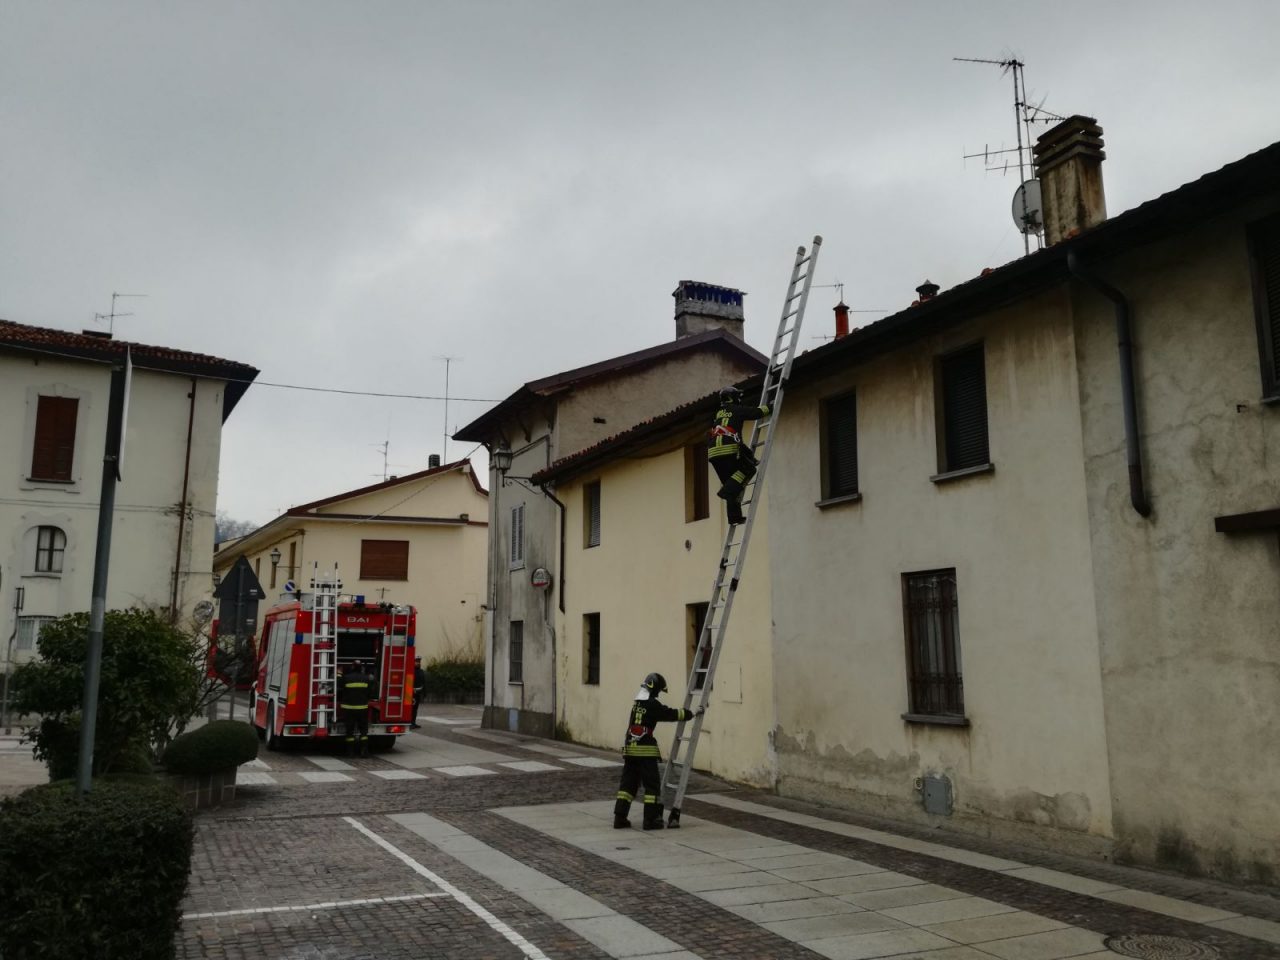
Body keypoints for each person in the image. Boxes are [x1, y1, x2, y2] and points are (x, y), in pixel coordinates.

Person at [613, 672, 702, 831]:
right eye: (659, 691)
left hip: (630, 750)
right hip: (645, 751)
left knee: (628, 785)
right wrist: (691, 713)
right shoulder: (652, 705)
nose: (659, 693)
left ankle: (619, 818)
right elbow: (670, 714)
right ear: (654, 689)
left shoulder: (637, 703)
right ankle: (651, 820)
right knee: (652, 787)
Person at [708, 386, 770, 525]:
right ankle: (725, 492)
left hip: (713, 453)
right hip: (728, 450)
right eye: (737, 396)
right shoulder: (737, 410)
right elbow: (757, 412)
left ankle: (734, 517)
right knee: (749, 469)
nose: (739, 399)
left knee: (733, 484)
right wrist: (771, 406)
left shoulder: (716, 413)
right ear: (732, 397)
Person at [338, 660, 375, 756]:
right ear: (361, 668)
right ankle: (364, 751)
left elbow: (338, 685)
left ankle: (350, 752)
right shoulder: (366, 678)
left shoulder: (346, 678)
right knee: (363, 730)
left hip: (349, 709)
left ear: (352, 667)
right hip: (362, 709)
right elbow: (371, 692)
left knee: (349, 731)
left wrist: (338, 673)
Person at [411, 655, 427, 729]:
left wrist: (424, 693)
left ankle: (413, 722)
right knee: (410, 708)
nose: (418, 663)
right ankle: (410, 723)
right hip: (410, 693)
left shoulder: (421, 671)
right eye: (416, 661)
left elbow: (423, 683)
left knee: (415, 709)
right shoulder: (410, 671)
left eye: (419, 662)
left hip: (418, 693)